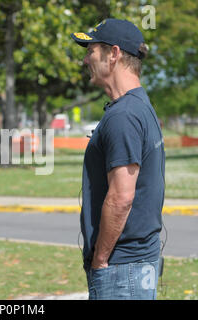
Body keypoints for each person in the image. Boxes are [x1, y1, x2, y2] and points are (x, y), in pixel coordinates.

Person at [71, 19, 165, 300]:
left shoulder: (123, 116)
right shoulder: (140, 106)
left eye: (91, 50)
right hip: (135, 264)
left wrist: (100, 259)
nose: (86, 59)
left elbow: (121, 198)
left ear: (113, 54)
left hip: (121, 269)